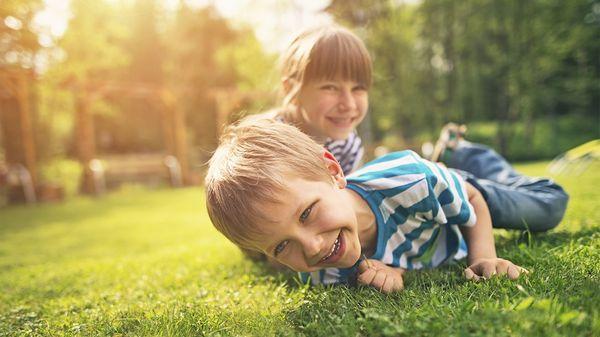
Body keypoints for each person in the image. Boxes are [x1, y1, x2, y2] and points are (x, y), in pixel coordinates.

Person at [204, 118, 552, 293]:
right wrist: (395, 272)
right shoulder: (323, 270)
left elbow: (471, 202)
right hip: (435, 207)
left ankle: (462, 151)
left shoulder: (410, 181)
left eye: (307, 213)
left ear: (333, 171)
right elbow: (398, 260)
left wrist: (483, 257)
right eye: (282, 245)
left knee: (549, 208)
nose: (311, 247)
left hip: (457, 190)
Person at [259, 24, 372, 175]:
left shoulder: (346, 146)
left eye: (358, 88)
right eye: (330, 87)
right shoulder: (266, 148)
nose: (349, 104)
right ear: (291, 89)